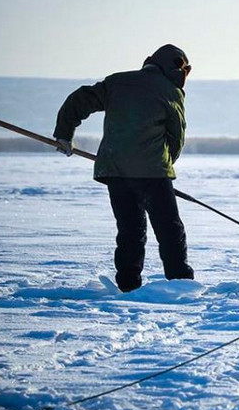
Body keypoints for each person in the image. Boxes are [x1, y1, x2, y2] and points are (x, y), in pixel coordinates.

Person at [53, 44, 194, 293]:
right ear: (179, 71)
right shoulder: (171, 91)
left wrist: (64, 134)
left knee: (130, 230)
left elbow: (80, 99)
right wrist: (162, 164)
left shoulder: (117, 82)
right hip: (152, 174)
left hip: (114, 170)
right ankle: (180, 283)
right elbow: (176, 137)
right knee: (170, 229)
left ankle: (128, 285)